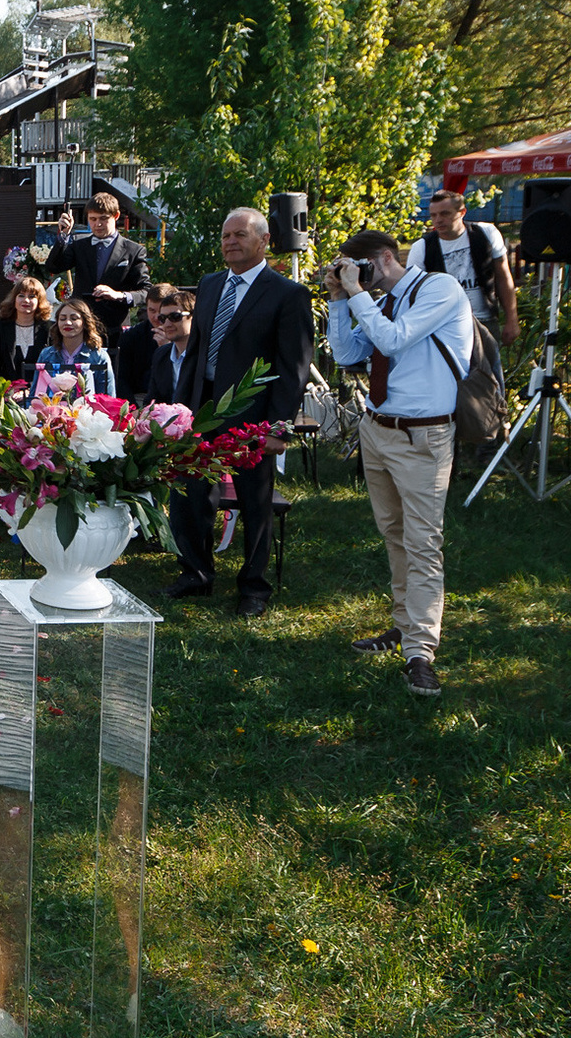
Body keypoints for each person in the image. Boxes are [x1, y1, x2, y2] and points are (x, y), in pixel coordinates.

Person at [325, 229, 474, 698]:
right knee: (394, 534)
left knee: (423, 544)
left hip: (423, 435)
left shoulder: (439, 290)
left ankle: (420, 653)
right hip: (378, 430)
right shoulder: (381, 302)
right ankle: (404, 625)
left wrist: (357, 293)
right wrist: (337, 301)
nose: (358, 278)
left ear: (384, 259)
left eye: (362, 268)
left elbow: (393, 342)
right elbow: (349, 354)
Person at [167, 206, 312, 616]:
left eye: (240, 235)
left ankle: (253, 587)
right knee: (191, 495)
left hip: (254, 413)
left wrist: (279, 428)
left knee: (254, 502)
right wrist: (181, 409)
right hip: (203, 408)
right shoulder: (210, 285)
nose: (230, 241)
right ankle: (195, 573)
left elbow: (294, 367)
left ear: (264, 241)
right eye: (226, 235)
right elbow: (196, 353)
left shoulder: (288, 294)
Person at [47, 191, 153, 343]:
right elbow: (53, 267)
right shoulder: (79, 244)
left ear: (116, 216)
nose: (98, 224)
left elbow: (146, 291)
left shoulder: (133, 251)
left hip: (115, 330)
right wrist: (64, 235)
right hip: (80, 329)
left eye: (104, 219)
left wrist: (119, 295)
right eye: (93, 219)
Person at [418, 189, 519, 342]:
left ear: (462, 212)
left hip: (484, 322)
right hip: (444, 326)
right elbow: (414, 293)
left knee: (489, 366)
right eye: (433, 215)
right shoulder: (422, 247)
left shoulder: (486, 233)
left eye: (445, 213)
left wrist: (512, 320)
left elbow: (503, 276)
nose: (438, 220)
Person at [119, 284, 193, 404]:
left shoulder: (198, 349)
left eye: (174, 316)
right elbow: (121, 379)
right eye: (152, 310)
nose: (158, 317)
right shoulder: (132, 336)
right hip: (140, 398)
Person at [31, 296, 116, 398]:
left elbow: (108, 398)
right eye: (62, 319)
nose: (67, 322)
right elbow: (34, 395)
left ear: (84, 322)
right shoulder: (46, 355)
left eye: (74, 318)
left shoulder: (99, 357)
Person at [0, 276, 54, 386]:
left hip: (40, 393)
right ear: (14, 299)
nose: (26, 300)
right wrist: (9, 390)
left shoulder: (50, 329)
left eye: (32, 296)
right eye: (21, 295)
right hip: (9, 394)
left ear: (39, 301)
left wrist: (31, 389)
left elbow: (53, 368)